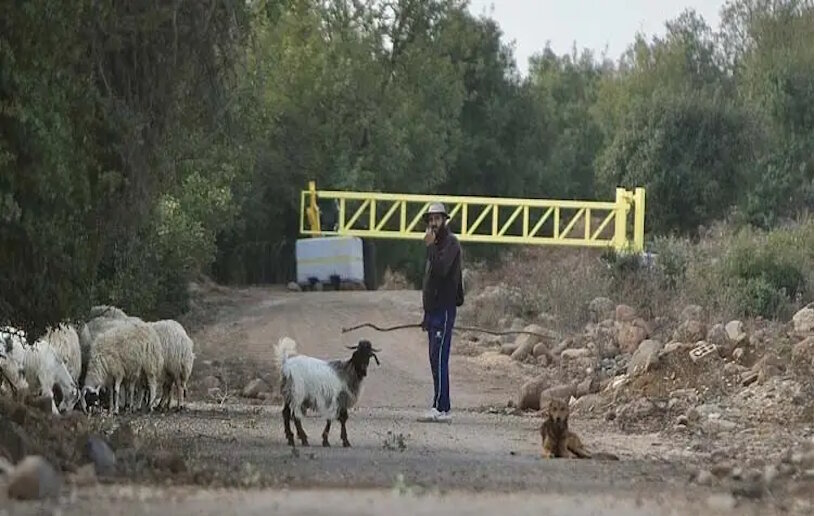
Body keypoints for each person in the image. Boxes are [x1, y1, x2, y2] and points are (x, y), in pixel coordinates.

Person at [417, 202, 464, 423]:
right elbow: (429, 282)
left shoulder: (451, 243)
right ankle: (438, 405)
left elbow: (442, 270)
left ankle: (442, 407)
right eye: (431, 219)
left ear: (444, 220)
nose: (433, 223)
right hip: (433, 311)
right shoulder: (435, 245)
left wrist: (430, 247)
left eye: (437, 219)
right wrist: (426, 314)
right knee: (433, 358)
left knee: (440, 359)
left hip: (445, 309)